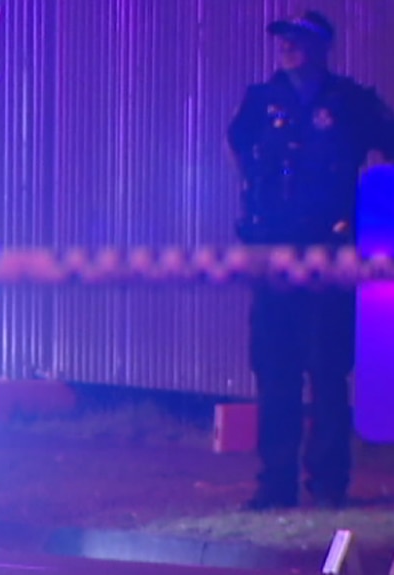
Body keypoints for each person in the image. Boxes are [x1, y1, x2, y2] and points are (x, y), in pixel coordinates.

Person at [227, 10, 394, 510]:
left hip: (330, 253)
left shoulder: (351, 103)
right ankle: (273, 485)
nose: (288, 47)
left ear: (323, 46)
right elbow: (239, 147)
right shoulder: (261, 101)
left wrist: (370, 221)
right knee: (275, 368)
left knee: (326, 367)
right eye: (283, 40)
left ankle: (327, 486)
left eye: (299, 40)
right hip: (273, 251)